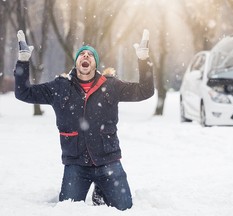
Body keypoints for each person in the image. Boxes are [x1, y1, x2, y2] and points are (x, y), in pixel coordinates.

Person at [14, 29, 154, 211]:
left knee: (125, 209)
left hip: (108, 162)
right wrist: (23, 61)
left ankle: (101, 191)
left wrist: (143, 60)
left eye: (90, 55)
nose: (85, 56)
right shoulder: (60, 87)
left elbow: (145, 90)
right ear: (77, 62)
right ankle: (98, 189)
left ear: (95, 63)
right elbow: (23, 92)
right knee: (67, 210)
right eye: (82, 54)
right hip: (76, 164)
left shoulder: (110, 85)